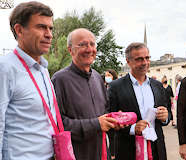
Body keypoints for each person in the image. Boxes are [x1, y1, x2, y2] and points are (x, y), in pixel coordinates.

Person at [0, 1, 56, 160]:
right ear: (19, 30)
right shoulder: (5, 68)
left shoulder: (43, 69)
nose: (49, 34)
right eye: (41, 27)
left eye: (50, 28)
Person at [51, 28, 118, 160]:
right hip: (76, 154)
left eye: (92, 44)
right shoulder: (60, 80)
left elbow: (104, 113)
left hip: (102, 152)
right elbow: (58, 125)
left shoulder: (98, 78)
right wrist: (95, 124)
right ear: (70, 50)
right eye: (82, 45)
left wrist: (116, 118)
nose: (89, 49)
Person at [108, 42, 169, 160]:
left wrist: (165, 117)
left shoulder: (157, 86)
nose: (145, 63)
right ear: (128, 61)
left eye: (147, 58)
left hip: (156, 148)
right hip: (129, 149)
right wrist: (132, 129)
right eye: (139, 59)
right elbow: (110, 120)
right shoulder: (116, 87)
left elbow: (167, 115)